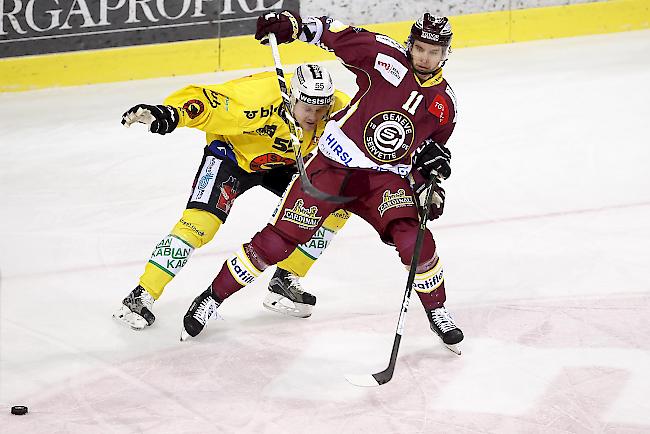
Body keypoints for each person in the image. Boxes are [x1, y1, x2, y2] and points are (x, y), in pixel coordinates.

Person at [180, 11, 464, 353]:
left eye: (434, 51)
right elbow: (334, 33)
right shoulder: (386, 58)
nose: (425, 57)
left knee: (414, 240)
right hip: (333, 167)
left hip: (384, 182)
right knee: (276, 243)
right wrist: (295, 26)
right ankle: (212, 297)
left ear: (446, 53)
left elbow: (424, 152)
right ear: (410, 44)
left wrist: (427, 187)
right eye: (420, 48)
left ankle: (438, 311)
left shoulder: (444, 105)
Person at [113, 63, 352, 330]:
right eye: (308, 108)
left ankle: (286, 279)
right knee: (200, 225)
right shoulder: (256, 98)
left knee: (334, 206)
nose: (314, 116)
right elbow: (207, 102)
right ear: (291, 97)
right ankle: (142, 293)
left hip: (282, 164)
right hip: (230, 157)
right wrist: (172, 113)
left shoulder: (341, 110)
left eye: (321, 110)